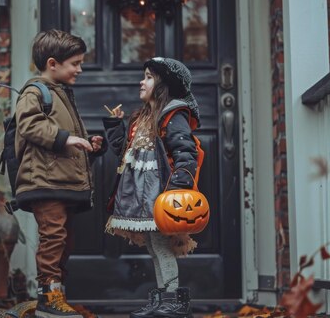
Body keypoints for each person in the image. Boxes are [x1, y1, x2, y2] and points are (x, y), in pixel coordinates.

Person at [14, 29, 105, 318]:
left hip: (62, 181)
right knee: (53, 238)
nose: (80, 69)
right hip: (45, 180)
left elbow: (69, 135)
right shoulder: (34, 92)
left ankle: (57, 296)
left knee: (64, 241)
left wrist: (89, 144)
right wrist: (65, 138)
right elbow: (28, 126)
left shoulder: (61, 94)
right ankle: (47, 298)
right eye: (75, 63)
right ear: (53, 63)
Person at [103, 57, 201, 318]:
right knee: (153, 245)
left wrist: (178, 188)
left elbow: (185, 152)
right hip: (141, 196)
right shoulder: (141, 117)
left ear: (162, 84)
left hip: (160, 194)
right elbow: (123, 152)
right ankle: (163, 300)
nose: (141, 81)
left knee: (160, 245)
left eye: (147, 76)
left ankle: (173, 301)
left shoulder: (172, 115)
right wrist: (115, 125)